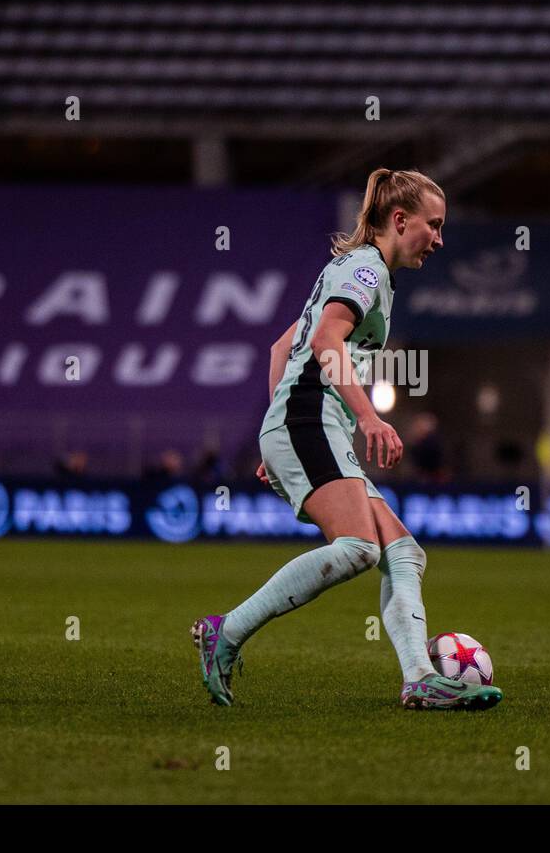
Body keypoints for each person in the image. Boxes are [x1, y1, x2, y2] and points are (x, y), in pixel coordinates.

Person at [190, 168, 502, 711]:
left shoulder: (354, 268)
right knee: (360, 549)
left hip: (305, 424)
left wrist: (275, 429)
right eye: (434, 225)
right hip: (310, 422)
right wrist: (369, 418)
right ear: (400, 220)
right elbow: (325, 337)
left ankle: (419, 680)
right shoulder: (366, 269)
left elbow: (280, 348)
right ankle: (227, 631)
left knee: (404, 552)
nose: (440, 238)